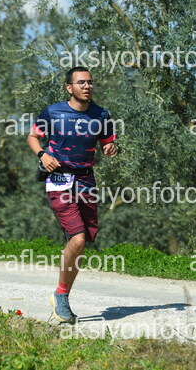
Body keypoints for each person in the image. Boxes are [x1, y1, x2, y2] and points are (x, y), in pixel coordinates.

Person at [27, 66, 118, 323]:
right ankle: (61, 294)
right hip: (58, 179)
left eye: (90, 82)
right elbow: (33, 136)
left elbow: (108, 143)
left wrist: (111, 148)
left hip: (86, 180)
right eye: (81, 83)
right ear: (69, 87)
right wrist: (42, 155)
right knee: (77, 240)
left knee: (82, 241)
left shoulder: (101, 115)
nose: (87, 86)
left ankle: (62, 294)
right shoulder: (53, 112)